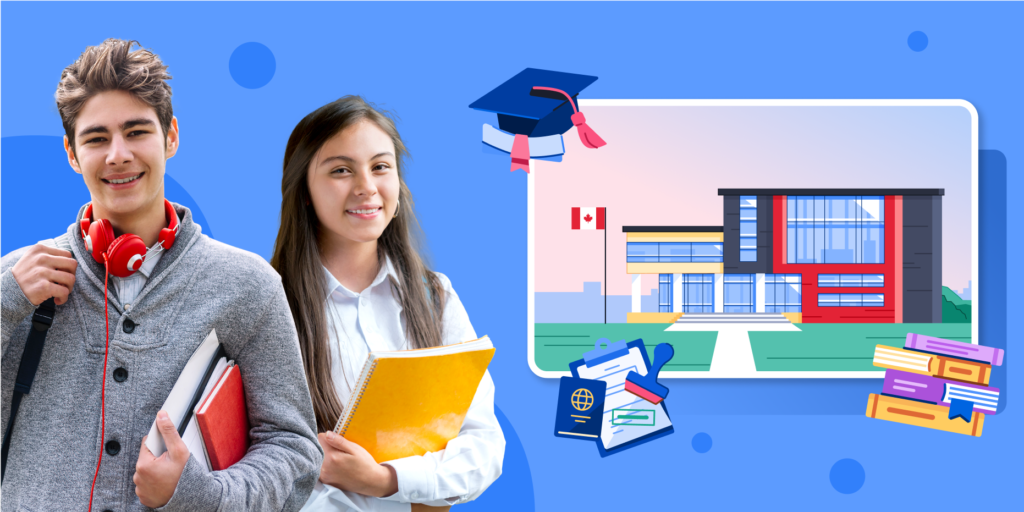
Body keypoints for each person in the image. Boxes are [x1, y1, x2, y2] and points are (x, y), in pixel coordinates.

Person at [0, 39, 322, 511]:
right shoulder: (16, 279)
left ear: (171, 136)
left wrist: (198, 496)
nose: (118, 154)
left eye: (136, 132)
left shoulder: (248, 285)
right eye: (96, 138)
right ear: (71, 153)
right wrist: (6, 300)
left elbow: (294, 452)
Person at [270, 96, 504, 512]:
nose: (366, 187)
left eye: (380, 167)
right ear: (303, 190)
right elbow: (261, 467)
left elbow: (483, 446)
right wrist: (422, 490)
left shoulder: (436, 298)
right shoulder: (268, 305)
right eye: (341, 170)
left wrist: (385, 480)